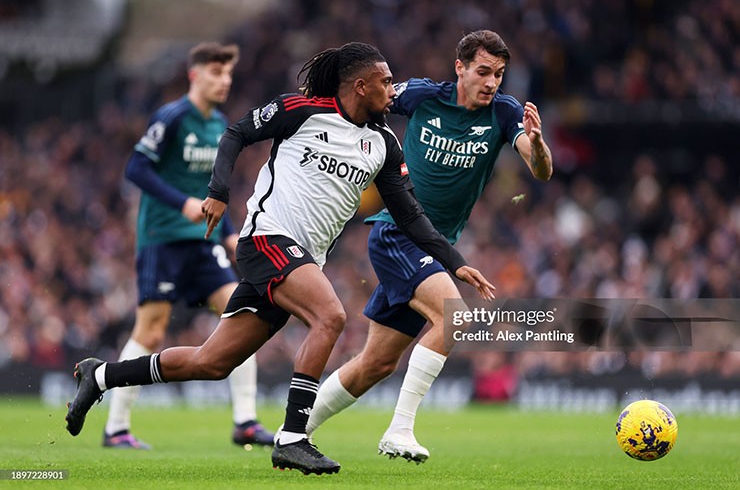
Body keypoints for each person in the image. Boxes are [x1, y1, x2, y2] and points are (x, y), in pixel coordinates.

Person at [65, 42, 496, 475]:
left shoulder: (383, 143)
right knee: (330, 316)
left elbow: (411, 216)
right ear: (360, 87)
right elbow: (237, 133)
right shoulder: (303, 110)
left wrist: (455, 262)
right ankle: (292, 437)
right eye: (385, 82)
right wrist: (217, 191)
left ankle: (100, 376)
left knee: (211, 362)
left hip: (301, 259)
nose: (392, 90)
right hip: (267, 238)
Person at [305, 30, 553, 463]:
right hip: (397, 233)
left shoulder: (504, 113)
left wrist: (539, 146)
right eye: (482, 71)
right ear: (460, 68)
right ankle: (399, 431)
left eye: (498, 74)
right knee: (452, 318)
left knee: (374, 366)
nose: (492, 82)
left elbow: (539, 168)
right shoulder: (421, 95)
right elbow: (366, 102)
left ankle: (294, 431)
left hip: (433, 249)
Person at [106, 41, 272, 449]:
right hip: (162, 239)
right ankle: (116, 427)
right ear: (194, 75)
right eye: (216, 73)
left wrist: (230, 230)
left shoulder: (219, 126)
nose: (224, 81)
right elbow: (136, 168)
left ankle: (246, 421)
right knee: (152, 329)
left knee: (243, 313)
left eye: (229, 74)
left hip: (204, 241)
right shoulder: (172, 117)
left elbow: (212, 189)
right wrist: (181, 203)